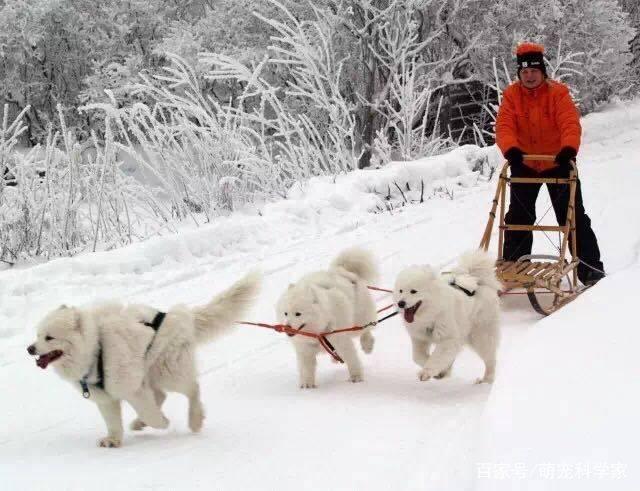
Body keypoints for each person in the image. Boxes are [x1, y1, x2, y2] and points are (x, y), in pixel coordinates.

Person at [495, 42, 605, 286]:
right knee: (518, 218)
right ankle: (515, 266)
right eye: (524, 72)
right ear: (519, 74)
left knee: (572, 217)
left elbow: (569, 123)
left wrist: (568, 148)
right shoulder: (512, 96)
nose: (529, 76)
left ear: (542, 71)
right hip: (524, 163)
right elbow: (504, 126)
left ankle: (590, 269)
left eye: (534, 71)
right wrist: (510, 149)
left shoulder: (558, 93)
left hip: (558, 161)